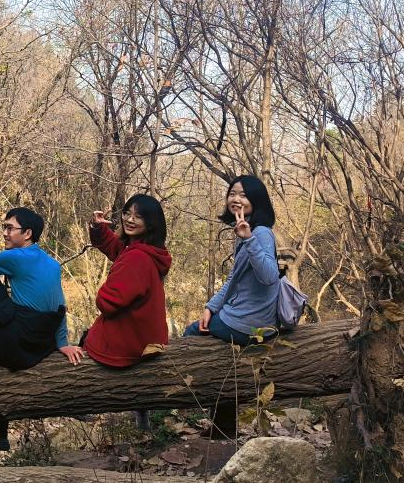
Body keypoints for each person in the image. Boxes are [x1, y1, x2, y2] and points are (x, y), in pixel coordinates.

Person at [0, 206, 83, 451]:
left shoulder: (15, 258)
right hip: (41, 343)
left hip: (19, 343)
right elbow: (59, 305)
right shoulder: (52, 263)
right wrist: (62, 343)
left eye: (10, 228)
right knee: (5, 300)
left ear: (27, 233)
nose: (4, 233)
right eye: (3, 227)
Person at [183, 174, 280, 438]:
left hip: (251, 322)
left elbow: (270, 276)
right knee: (225, 361)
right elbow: (234, 279)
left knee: (191, 333)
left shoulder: (260, 233)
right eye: (233, 193)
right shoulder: (245, 231)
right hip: (245, 317)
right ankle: (223, 426)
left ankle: (187, 398)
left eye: (244, 195)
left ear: (256, 201)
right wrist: (211, 307)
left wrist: (248, 239)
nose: (236, 199)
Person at [84, 194, 172, 367]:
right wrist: (97, 227)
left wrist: (103, 292)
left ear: (151, 223)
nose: (130, 220)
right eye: (127, 213)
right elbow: (114, 247)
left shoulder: (137, 258)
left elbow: (108, 302)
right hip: (145, 337)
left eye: (138, 216)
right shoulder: (146, 248)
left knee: (89, 340)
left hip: (129, 345)